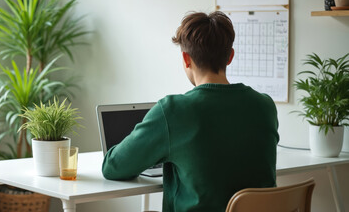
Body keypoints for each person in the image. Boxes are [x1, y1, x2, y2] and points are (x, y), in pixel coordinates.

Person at [102, 11, 279, 212]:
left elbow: (113, 167)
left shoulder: (173, 111)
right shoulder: (265, 106)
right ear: (230, 56)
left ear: (186, 59)